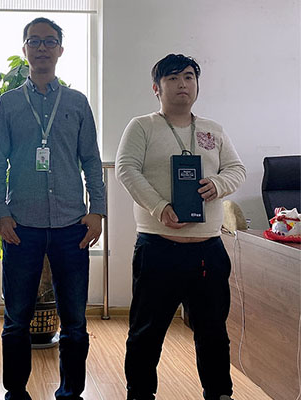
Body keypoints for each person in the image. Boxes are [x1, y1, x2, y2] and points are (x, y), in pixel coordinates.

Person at [0, 17, 106, 400]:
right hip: (22, 227)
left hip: (72, 226)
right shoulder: (8, 103)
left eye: (49, 41)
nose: (41, 48)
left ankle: (71, 392)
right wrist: (0, 213)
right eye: (34, 41)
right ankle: (15, 392)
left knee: (75, 321)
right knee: (16, 319)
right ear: (24, 49)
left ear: (60, 50)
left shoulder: (77, 102)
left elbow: (91, 161)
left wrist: (98, 210)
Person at [115, 54, 246, 400]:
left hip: (208, 250)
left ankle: (220, 393)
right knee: (146, 332)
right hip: (158, 248)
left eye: (188, 77)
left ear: (197, 85)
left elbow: (237, 169)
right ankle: (139, 393)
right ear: (156, 88)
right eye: (172, 78)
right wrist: (160, 208)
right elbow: (126, 169)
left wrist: (217, 184)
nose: (182, 84)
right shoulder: (142, 126)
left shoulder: (213, 130)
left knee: (213, 330)